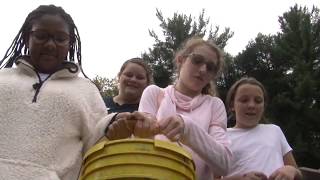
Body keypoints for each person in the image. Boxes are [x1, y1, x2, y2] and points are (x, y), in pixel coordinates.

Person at [0, 5, 112, 180]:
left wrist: (116, 123)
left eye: (60, 38)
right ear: (27, 36)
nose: (50, 44)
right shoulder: (2, 78)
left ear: (69, 44)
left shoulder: (86, 90)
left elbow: (98, 144)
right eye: (41, 36)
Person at [129, 37, 232, 180]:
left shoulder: (215, 105)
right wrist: (142, 127)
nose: (203, 69)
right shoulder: (154, 93)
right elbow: (141, 146)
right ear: (181, 60)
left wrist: (187, 128)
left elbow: (224, 163)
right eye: (197, 60)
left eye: (210, 67)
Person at [222, 77, 302, 180]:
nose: (251, 105)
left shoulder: (274, 130)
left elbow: (298, 173)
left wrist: (291, 170)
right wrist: (240, 178)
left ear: (264, 106)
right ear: (232, 105)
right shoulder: (222, 136)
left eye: (258, 101)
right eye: (244, 100)